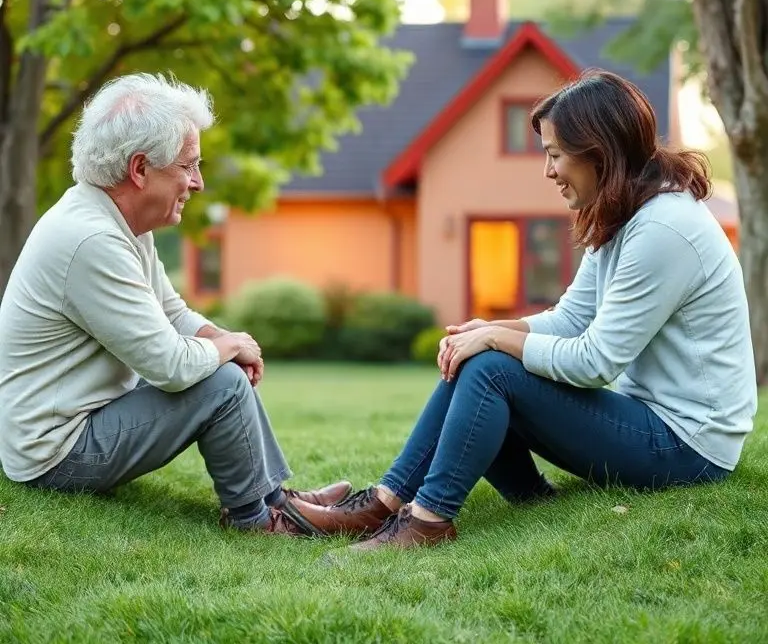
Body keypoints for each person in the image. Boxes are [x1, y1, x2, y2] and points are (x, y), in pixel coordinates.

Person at [289, 69, 758, 550]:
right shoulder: (625, 213)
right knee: (478, 356)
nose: (549, 171)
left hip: (689, 445)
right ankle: (387, 502)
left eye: (555, 154)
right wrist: (486, 330)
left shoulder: (663, 229)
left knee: (491, 368)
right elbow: (571, 318)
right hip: (650, 419)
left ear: (598, 151)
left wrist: (495, 339)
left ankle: (427, 521)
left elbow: (597, 361)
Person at [0, 73, 350, 535]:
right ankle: (258, 520)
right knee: (222, 384)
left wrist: (219, 337)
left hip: (75, 424)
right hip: (54, 453)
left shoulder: (117, 222)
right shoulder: (92, 240)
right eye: (189, 165)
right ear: (140, 169)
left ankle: (278, 500)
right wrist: (231, 348)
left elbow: (172, 313)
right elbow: (170, 366)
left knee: (220, 371)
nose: (198, 182)